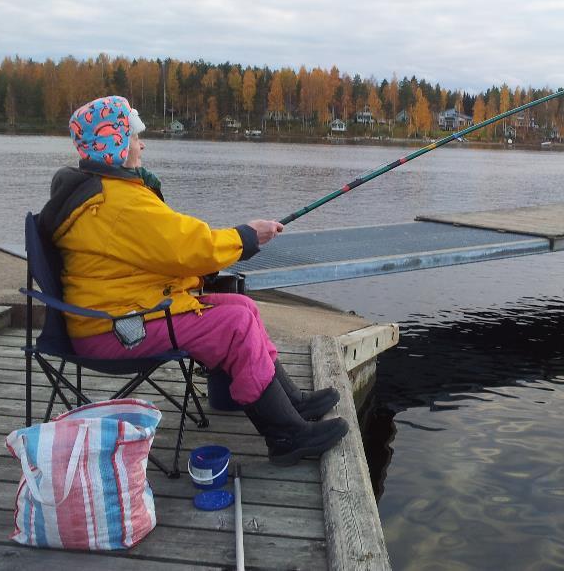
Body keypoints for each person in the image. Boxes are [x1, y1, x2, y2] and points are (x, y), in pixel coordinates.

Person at [39, 95, 348, 466]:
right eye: (135, 136)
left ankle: (290, 404)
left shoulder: (101, 194)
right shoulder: (118, 203)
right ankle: (286, 436)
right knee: (234, 325)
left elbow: (162, 254)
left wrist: (224, 251)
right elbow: (190, 246)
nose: (142, 144)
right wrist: (246, 237)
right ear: (116, 145)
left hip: (116, 315)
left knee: (243, 308)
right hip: (115, 330)